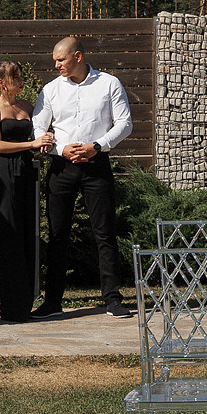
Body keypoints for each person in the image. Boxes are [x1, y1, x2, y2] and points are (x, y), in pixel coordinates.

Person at [32, 34, 133, 319]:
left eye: (60, 59)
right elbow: (37, 127)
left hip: (96, 165)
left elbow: (125, 123)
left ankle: (112, 300)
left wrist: (96, 146)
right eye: (54, 60)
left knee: (104, 233)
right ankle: (52, 301)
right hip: (61, 168)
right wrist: (62, 150)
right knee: (57, 235)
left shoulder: (109, 83)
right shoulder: (50, 90)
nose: (56, 65)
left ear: (78, 56)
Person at [0, 59, 53, 322]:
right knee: (9, 236)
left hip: (27, 171)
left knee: (28, 234)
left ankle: (26, 304)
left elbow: (41, 130)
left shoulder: (26, 106)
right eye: (17, 77)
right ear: (2, 83)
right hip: (3, 174)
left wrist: (45, 139)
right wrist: (31, 143)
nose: (23, 81)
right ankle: (11, 307)